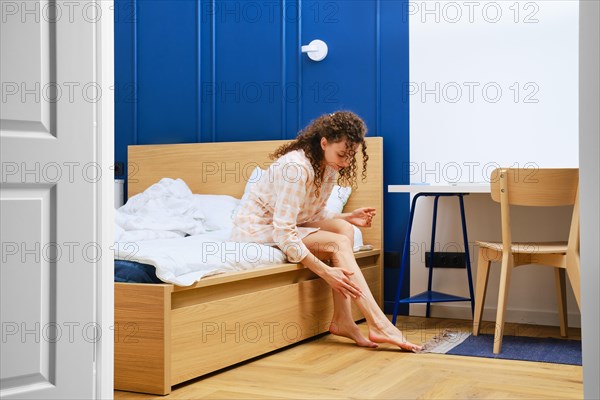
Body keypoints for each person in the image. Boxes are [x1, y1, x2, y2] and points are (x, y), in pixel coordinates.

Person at [231, 111, 421, 352]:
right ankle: (379, 323)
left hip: (285, 224)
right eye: (341, 154)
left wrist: (346, 216)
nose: (344, 163)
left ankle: (343, 319)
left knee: (344, 229)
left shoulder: (329, 168)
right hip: (257, 228)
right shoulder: (295, 169)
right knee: (338, 243)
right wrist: (325, 271)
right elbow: (283, 231)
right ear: (323, 142)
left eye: (349, 158)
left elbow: (311, 213)